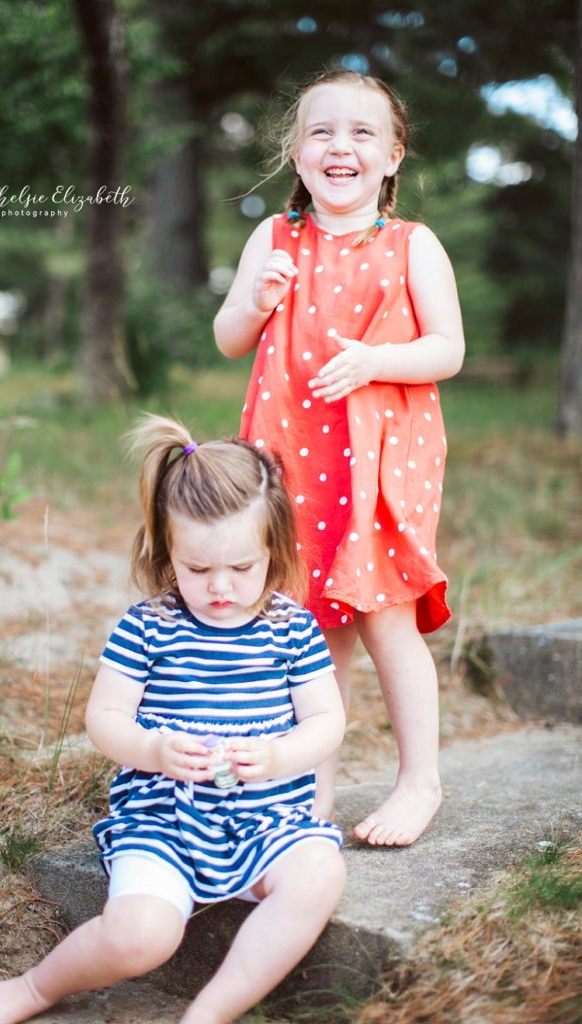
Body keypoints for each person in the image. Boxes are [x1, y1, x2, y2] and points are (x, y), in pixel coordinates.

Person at [0, 415, 346, 1024]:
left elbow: (326, 720)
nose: (221, 586)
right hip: (164, 820)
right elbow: (105, 718)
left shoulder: (291, 628)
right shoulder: (148, 626)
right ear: (167, 549)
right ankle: (39, 986)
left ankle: (211, 1012)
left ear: (272, 548)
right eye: (198, 570)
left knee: (320, 873)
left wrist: (277, 757)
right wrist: (153, 749)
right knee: (140, 936)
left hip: (267, 816)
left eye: (242, 568)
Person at [214, 69, 465, 847]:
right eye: (320, 131)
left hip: (380, 461)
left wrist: (374, 362)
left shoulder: (410, 244)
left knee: (385, 615)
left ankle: (418, 780)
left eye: (361, 133)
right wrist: (256, 300)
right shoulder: (274, 238)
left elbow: (447, 349)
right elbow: (227, 338)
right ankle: (311, 791)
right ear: (295, 152)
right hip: (289, 457)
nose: (339, 146)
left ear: (392, 157)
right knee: (310, 631)